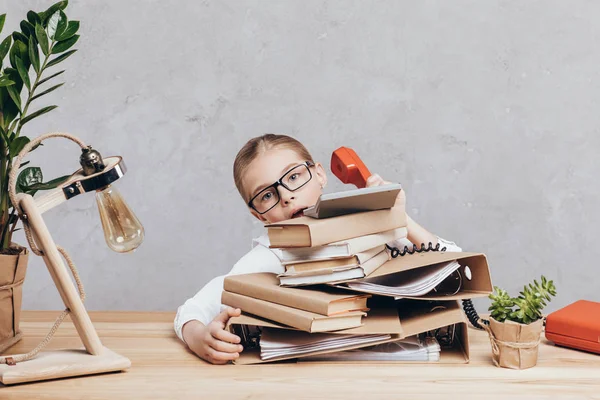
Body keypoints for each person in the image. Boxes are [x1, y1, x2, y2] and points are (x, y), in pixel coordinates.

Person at [174, 134, 462, 364]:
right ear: (259, 215)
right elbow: (192, 310)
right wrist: (199, 338)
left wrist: (398, 219)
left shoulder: (374, 232)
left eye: (294, 177)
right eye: (267, 195)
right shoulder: (267, 258)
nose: (286, 196)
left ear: (321, 175)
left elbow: (457, 269)